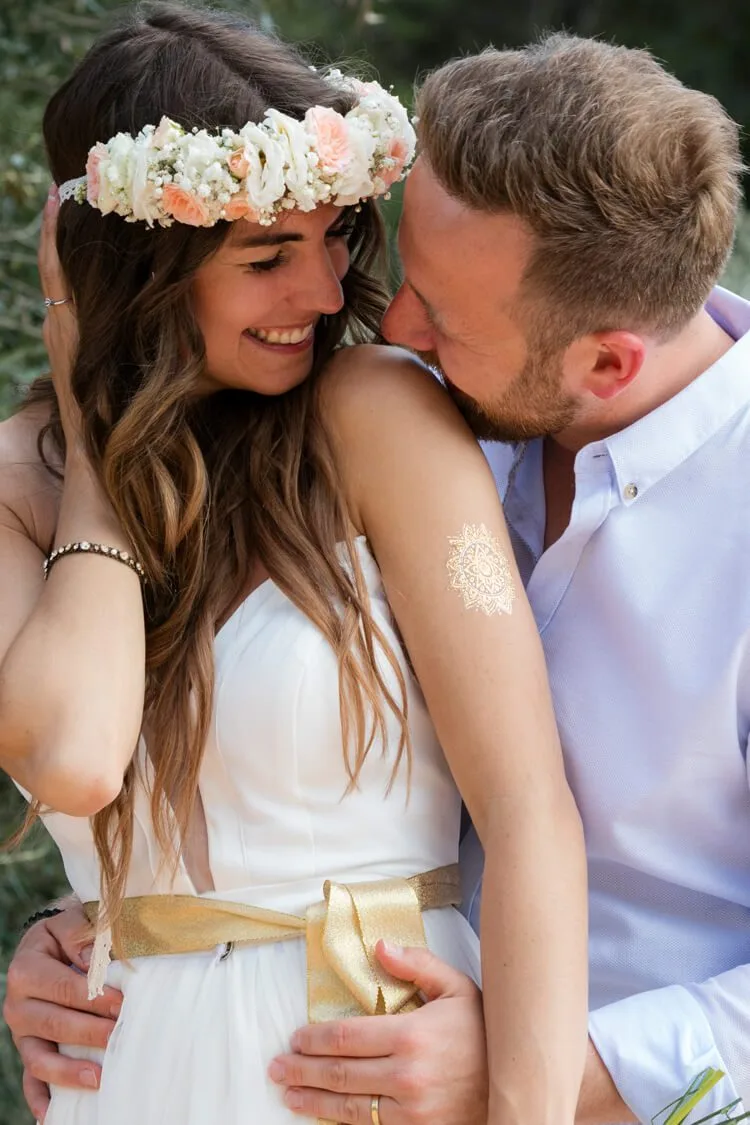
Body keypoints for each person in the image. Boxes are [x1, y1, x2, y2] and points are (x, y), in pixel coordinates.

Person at [6, 27, 748, 1125]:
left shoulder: (385, 415)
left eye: (436, 313)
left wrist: (539, 1085)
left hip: (478, 1073)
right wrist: (93, 422)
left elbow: (524, 810)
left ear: (607, 363)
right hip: (145, 1063)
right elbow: (82, 760)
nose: (363, 309)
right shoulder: (449, 405)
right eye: (275, 254)